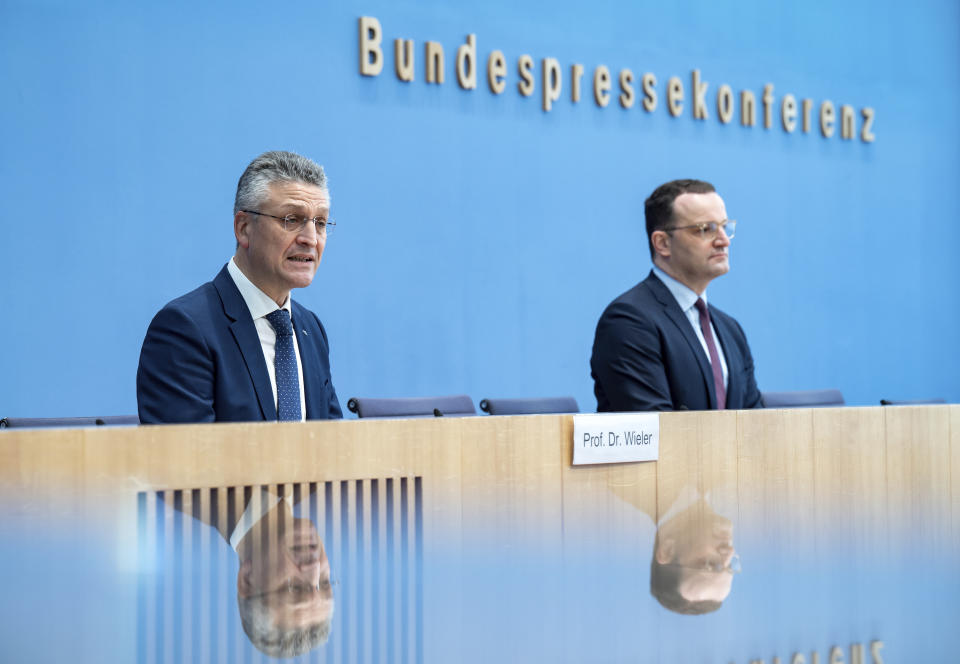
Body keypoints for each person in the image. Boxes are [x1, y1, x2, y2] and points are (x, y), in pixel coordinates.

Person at [137, 150, 342, 423]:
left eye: (319, 223)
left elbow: (336, 448)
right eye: (291, 220)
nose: (310, 239)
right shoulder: (185, 328)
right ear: (244, 227)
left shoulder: (310, 329)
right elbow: (184, 461)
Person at [591, 178, 762, 411]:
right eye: (706, 229)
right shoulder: (629, 321)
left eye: (724, 226)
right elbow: (652, 427)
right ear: (662, 243)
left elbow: (754, 420)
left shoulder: (730, 329)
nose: (723, 241)